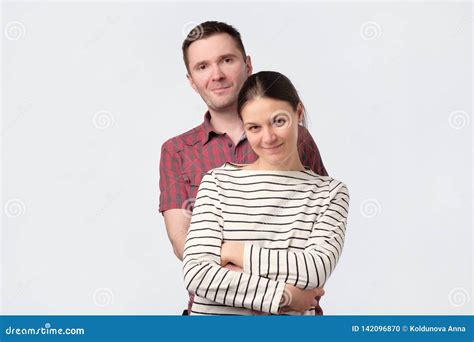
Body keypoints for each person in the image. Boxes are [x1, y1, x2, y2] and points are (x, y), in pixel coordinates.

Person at [159, 21, 328, 314]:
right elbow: (184, 246)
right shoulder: (176, 152)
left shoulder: (294, 137)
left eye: (226, 60)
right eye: (202, 66)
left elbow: (317, 231)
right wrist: (278, 292)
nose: (217, 75)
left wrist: (225, 255)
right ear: (191, 80)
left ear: (247, 64)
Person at [182, 71, 349, 315]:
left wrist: (233, 252)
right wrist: (285, 295)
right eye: (254, 127)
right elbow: (197, 274)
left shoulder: (330, 193)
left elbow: (314, 270)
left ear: (298, 113)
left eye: (279, 121)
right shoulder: (217, 182)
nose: (268, 137)